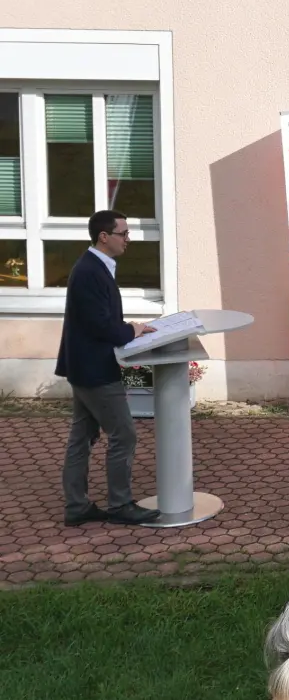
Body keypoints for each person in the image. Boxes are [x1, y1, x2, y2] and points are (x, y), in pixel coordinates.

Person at [57, 209, 159, 527]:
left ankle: (77, 506)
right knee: (123, 435)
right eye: (124, 233)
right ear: (105, 236)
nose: (128, 239)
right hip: (93, 369)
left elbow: (98, 320)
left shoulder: (97, 266)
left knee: (82, 436)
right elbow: (101, 325)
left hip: (83, 365)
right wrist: (133, 330)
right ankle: (119, 505)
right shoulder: (90, 271)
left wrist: (130, 328)